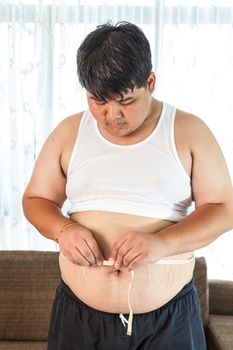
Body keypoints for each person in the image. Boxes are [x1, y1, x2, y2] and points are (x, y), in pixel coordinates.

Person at [22, 21, 233, 350]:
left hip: (168, 320)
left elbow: (224, 210)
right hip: (78, 317)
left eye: (125, 101)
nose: (111, 115)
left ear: (150, 82)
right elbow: (36, 199)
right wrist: (63, 230)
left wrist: (160, 243)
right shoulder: (68, 133)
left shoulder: (190, 132)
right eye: (99, 101)